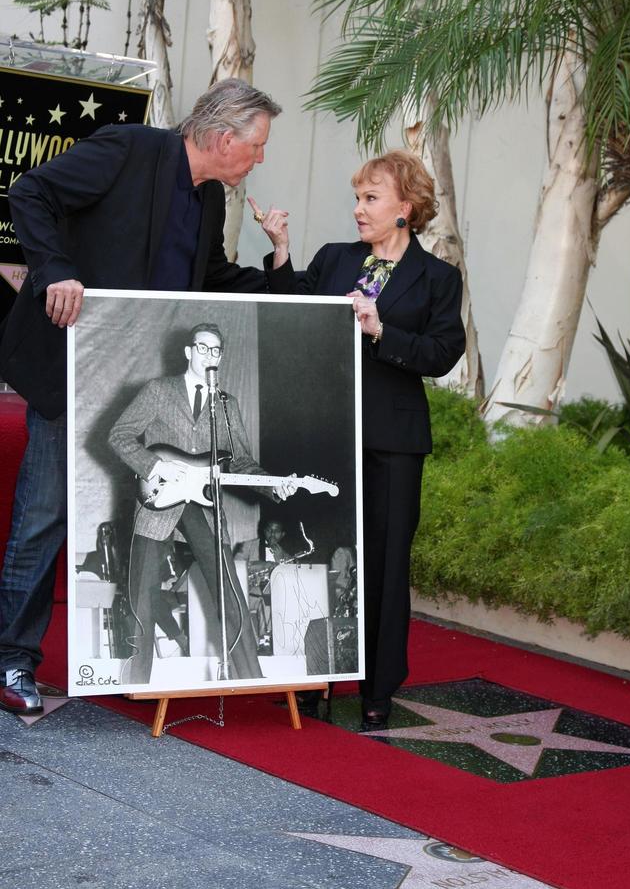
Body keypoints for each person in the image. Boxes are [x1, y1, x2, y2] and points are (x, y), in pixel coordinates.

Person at [0, 77, 291, 715]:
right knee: (44, 513)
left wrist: (284, 274)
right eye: (258, 145)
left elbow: (210, 277)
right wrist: (55, 269)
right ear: (223, 138)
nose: (260, 158)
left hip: (137, 382)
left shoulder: (209, 198)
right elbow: (31, 193)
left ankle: (122, 662)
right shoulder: (126, 149)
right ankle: (12, 661)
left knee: (115, 520)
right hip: (72, 364)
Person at [252, 149, 466, 726]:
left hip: (392, 441)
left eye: (371, 199)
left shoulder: (437, 278)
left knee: (385, 564)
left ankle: (377, 689)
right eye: (358, 197)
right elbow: (290, 313)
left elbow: (444, 354)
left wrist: (381, 331)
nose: (358, 210)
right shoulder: (334, 258)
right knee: (314, 552)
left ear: (407, 207)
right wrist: (280, 254)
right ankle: (310, 675)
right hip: (324, 433)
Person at [107, 322, 297, 684]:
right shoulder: (158, 391)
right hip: (158, 501)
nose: (210, 356)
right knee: (142, 600)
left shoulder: (226, 405)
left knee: (231, 598)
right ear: (188, 352)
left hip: (205, 505)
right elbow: (119, 435)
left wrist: (274, 487)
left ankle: (250, 681)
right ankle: (136, 687)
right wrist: (155, 465)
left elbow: (241, 461)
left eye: (216, 350)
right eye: (203, 348)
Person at [234, 517, 290, 648]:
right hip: (247, 593)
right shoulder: (248, 546)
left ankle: (274, 639)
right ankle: (265, 640)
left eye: (276, 531)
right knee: (265, 599)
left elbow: (292, 575)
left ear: (282, 534)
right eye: (269, 530)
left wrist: (280, 560)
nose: (272, 534)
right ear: (264, 531)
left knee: (273, 598)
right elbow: (235, 565)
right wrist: (262, 565)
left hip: (272, 594)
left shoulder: (285, 555)